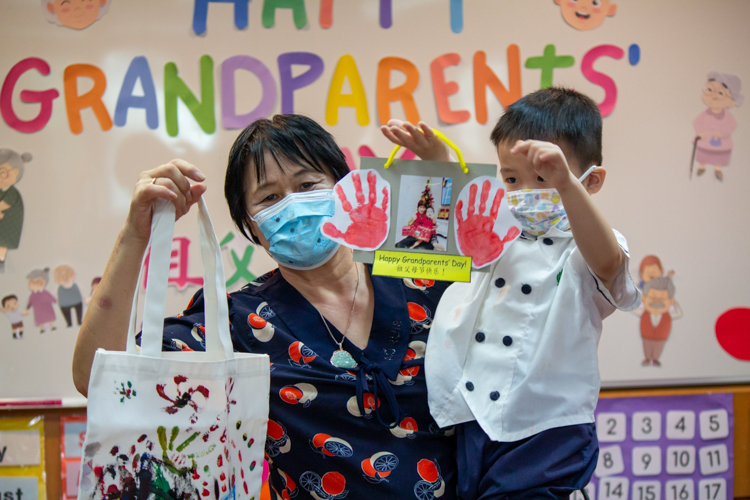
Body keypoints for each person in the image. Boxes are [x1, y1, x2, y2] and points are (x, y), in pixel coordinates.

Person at [72, 115, 458, 499]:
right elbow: (98, 376)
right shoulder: (238, 322)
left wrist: (448, 174)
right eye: (270, 197)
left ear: (345, 190)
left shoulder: (420, 281)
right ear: (252, 225)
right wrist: (135, 234)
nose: (292, 205)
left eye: (307, 185)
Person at [382, 87, 641, 498]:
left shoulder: (585, 246)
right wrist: (438, 161)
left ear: (591, 181)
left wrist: (567, 188)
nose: (525, 192)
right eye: (512, 178)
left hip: (548, 428)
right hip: (469, 416)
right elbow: (439, 230)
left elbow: (609, 264)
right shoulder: (491, 229)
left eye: (544, 178)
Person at [693, 71, 743, 180]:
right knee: (703, 154)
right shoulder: (705, 114)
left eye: (720, 93)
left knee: (719, 156)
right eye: (710, 90)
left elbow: (732, 125)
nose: (713, 96)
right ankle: (702, 166)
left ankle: (718, 169)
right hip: (706, 138)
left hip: (720, 140)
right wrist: (701, 132)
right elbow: (697, 122)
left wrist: (722, 133)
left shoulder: (728, 116)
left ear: (731, 101)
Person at [634, 277, 682, 367]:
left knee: (658, 347)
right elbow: (633, 309)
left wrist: (676, 304)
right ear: (645, 298)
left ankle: (655, 359)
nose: (657, 302)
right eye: (653, 298)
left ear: (670, 300)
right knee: (647, 345)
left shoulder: (668, 315)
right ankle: (648, 358)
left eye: (662, 299)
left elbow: (678, 314)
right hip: (646, 335)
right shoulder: (644, 312)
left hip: (661, 336)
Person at [0, 149, 31, 264]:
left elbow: (3, 205)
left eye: (2, 172)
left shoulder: (12, 193)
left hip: (8, 223)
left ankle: (1, 259)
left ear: (16, 172)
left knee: (3, 243)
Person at [25, 268, 58, 333]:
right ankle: (42, 329)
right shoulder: (33, 295)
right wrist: (27, 308)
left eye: (37, 282)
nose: (34, 284)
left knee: (49, 317)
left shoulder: (45, 292)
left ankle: (52, 326)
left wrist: (56, 301)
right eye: (31, 282)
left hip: (47, 307)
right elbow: (30, 301)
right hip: (38, 309)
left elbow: (51, 297)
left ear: (44, 282)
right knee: (40, 319)